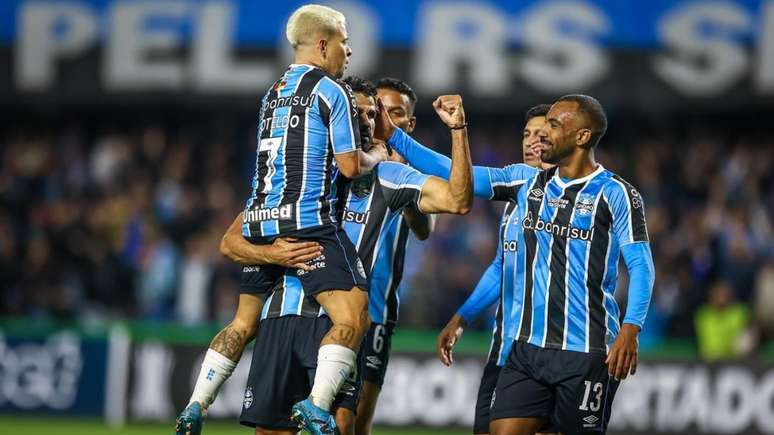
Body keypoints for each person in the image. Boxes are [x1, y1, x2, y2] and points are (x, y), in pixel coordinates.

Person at [377, 95, 655, 435]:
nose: (541, 137)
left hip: (586, 352)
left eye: (553, 126)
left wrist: (631, 327)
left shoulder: (616, 194)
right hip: (526, 350)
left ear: (582, 137)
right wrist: (392, 135)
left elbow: (640, 264)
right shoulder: (526, 181)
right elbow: (452, 171)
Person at [177, 5, 390, 435]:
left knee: (242, 323)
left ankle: (196, 404)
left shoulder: (272, 93)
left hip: (259, 217)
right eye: (345, 43)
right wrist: (379, 154)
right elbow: (350, 166)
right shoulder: (332, 91)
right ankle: (315, 405)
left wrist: (267, 248)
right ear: (324, 44)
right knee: (354, 316)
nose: (349, 52)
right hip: (306, 218)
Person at [436, 104, 559, 435]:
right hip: (505, 348)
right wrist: (462, 316)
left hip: (553, 355)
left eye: (542, 135)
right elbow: (502, 266)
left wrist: (395, 137)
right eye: (526, 134)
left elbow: (454, 171)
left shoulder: (575, 197)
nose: (531, 142)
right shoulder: (516, 200)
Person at [353, 77, 433, 435]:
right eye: (378, 110)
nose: (384, 118)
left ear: (409, 123)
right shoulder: (348, 159)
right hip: (329, 300)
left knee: (358, 421)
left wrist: (404, 183)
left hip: (378, 311)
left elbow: (424, 229)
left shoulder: (413, 175)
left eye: (395, 112)